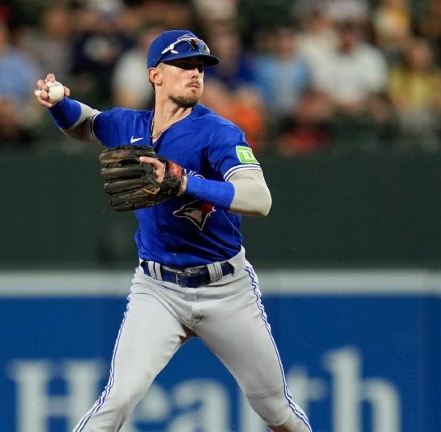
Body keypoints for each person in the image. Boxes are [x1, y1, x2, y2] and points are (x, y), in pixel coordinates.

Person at [34, 29, 312, 432]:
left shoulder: (218, 132)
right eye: (183, 65)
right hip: (158, 288)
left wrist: (185, 183)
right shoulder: (129, 125)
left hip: (226, 290)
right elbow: (88, 123)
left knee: (276, 411)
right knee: (118, 399)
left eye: (200, 66)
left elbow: (259, 198)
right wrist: (59, 103)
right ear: (155, 75)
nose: (195, 73)